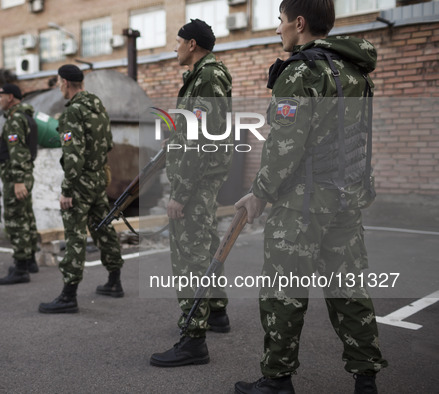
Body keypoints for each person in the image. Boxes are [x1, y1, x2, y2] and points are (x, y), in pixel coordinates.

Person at [233, 1, 387, 393]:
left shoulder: (301, 71)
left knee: (283, 292)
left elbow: (286, 144)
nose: (278, 30)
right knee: (349, 287)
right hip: (345, 198)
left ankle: (277, 381)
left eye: (281, 21)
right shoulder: (353, 70)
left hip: (301, 204)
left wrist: (259, 194)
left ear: (299, 23)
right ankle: (366, 378)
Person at [150, 19, 233, 367]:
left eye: (178, 42)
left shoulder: (207, 78)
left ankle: (193, 339)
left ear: (193, 44)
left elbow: (200, 142)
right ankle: (216, 313)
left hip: (195, 181)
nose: (175, 48)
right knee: (205, 244)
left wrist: (179, 193)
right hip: (202, 178)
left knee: (190, 255)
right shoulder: (203, 76)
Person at [38, 64, 124, 314]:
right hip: (98, 179)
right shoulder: (98, 107)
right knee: (103, 228)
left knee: (75, 235)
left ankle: (68, 296)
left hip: (80, 183)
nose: (59, 88)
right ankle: (114, 281)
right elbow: (108, 144)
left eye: (58, 83)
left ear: (64, 82)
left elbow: (73, 156)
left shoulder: (72, 113)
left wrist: (67, 190)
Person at [0, 83, 40, 285]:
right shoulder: (27, 117)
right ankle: (29, 261)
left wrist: (18, 180)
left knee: (15, 219)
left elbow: (18, 151)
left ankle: (21, 269)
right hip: (24, 173)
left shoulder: (15, 120)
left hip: (16, 177)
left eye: (0, 96)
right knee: (26, 216)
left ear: (10, 97)